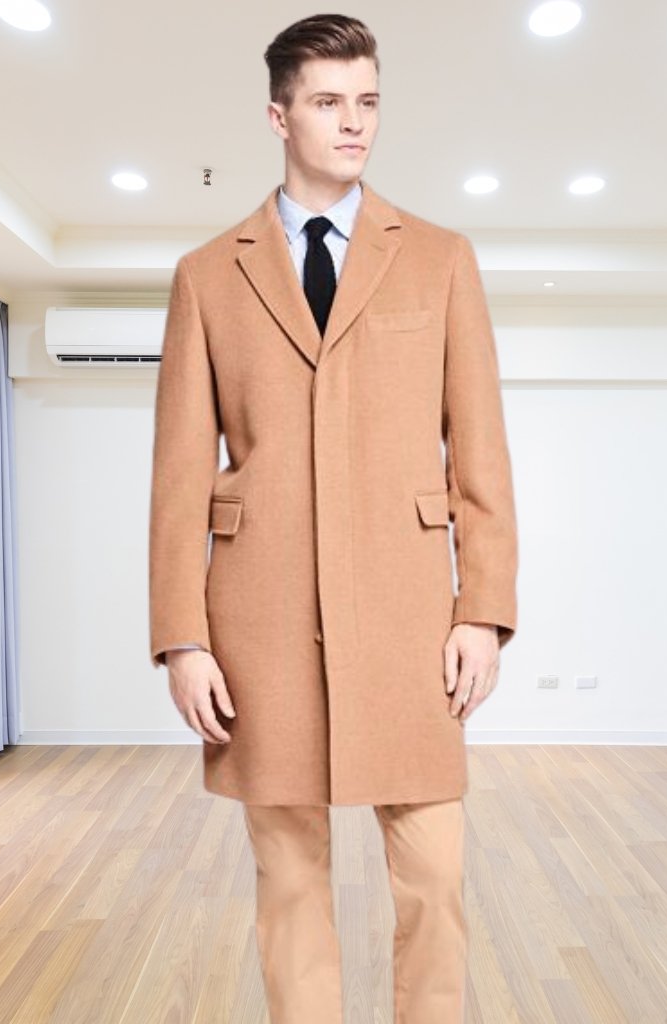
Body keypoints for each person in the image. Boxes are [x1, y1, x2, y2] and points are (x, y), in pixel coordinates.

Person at [149, 13, 519, 1022]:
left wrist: (482, 611)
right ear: (279, 117)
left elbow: (480, 454)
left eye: (367, 102)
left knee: (434, 875)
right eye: (327, 102)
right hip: (259, 620)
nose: (353, 122)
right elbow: (179, 478)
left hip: (408, 614)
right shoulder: (206, 275)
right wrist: (183, 638)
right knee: (289, 879)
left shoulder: (439, 258)